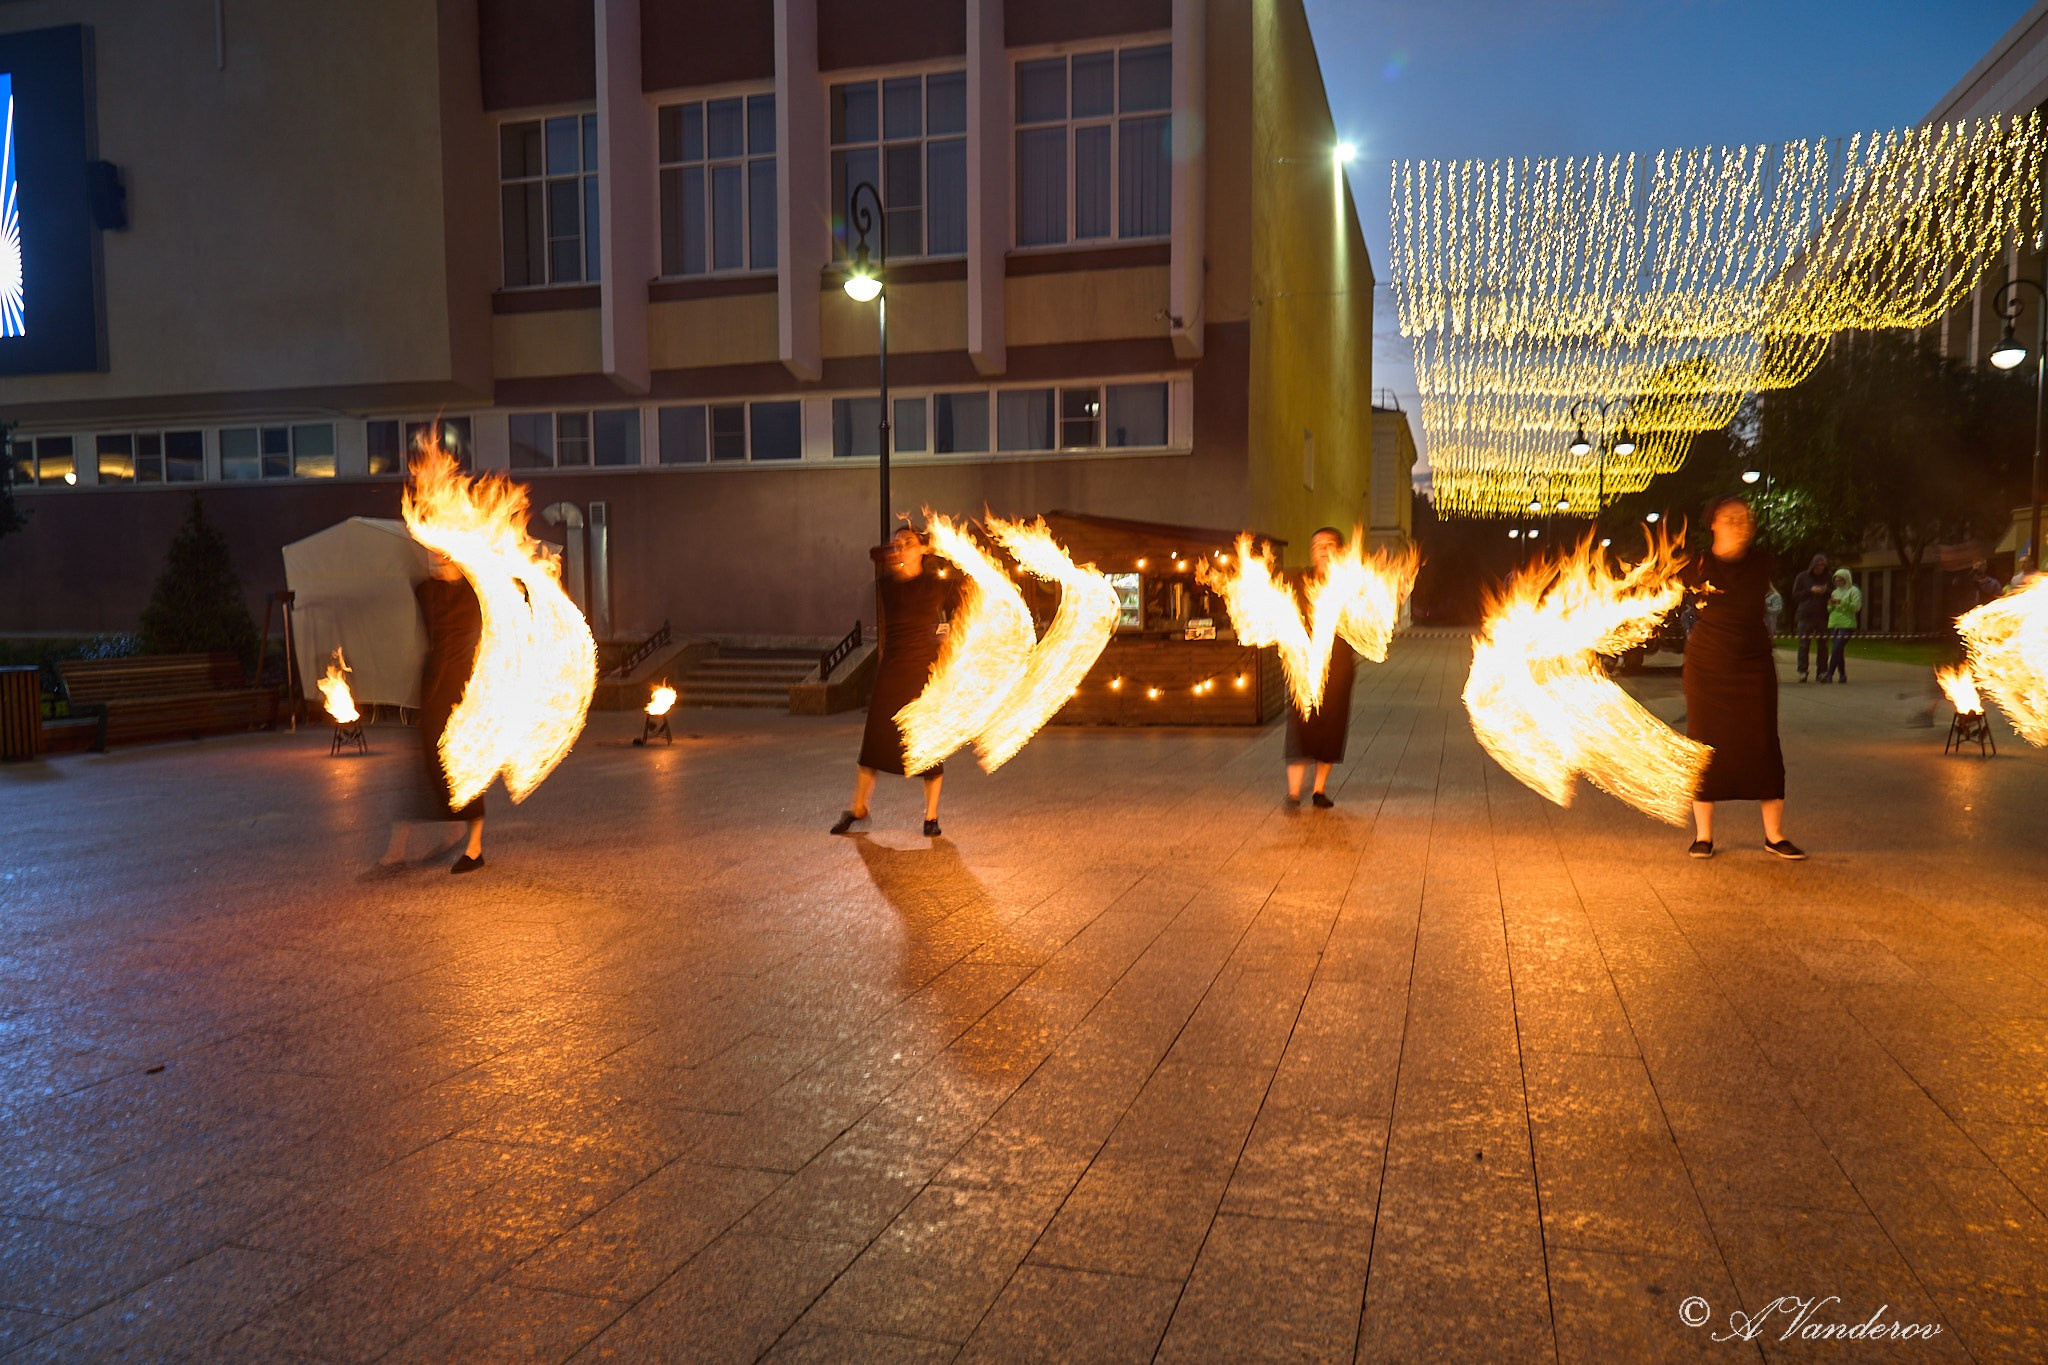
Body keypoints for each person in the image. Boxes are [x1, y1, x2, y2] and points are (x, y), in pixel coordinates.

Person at [1681, 495, 1802, 860]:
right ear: (1713, 523)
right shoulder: (1697, 563)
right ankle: (1703, 836)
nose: (1739, 524)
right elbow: (1660, 590)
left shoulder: (1762, 562)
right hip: (1707, 665)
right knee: (1705, 746)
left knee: (1763, 742)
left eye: (1745, 518)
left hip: (1752, 664)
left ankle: (1774, 836)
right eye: (1730, 518)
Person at [833, 527, 957, 838]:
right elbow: (883, 562)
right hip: (891, 672)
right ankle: (859, 807)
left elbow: (963, 607)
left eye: (908, 542)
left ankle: (931, 817)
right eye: (897, 544)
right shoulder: (887, 586)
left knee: (929, 746)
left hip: (924, 674)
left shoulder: (937, 585)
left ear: (923, 549)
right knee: (874, 743)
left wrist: (949, 632)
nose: (900, 547)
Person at [382, 551, 486, 872]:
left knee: (461, 763)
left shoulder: (475, 592)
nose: (434, 559)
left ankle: (474, 848)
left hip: (462, 685)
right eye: (430, 553)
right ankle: (400, 846)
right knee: (426, 761)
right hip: (433, 683)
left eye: (442, 554)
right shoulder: (426, 590)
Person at [1285, 527, 1355, 808]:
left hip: (1338, 668)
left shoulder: (1350, 584)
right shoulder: (1299, 580)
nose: (1322, 550)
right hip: (1302, 665)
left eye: (1328, 544)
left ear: (1339, 549)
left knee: (1331, 727)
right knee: (1301, 726)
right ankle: (1293, 793)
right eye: (1316, 545)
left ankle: (1318, 791)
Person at [1791, 552, 1829, 681]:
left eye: (1823, 566)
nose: (1820, 569)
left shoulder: (1827, 577)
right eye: (1818, 566)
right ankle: (1802, 671)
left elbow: (1833, 594)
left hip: (1822, 615)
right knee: (1803, 645)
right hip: (1806, 615)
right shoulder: (1802, 577)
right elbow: (1795, 595)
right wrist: (1810, 591)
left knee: (1823, 645)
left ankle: (1822, 671)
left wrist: (1826, 592)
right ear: (1813, 565)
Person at [1821, 569, 1861, 684]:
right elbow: (1830, 608)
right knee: (1838, 650)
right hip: (1834, 623)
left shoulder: (1854, 591)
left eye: (1840, 580)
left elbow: (1856, 607)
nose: (1838, 582)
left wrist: (1841, 603)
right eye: (1836, 580)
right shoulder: (1834, 592)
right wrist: (1830, 604)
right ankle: (1842, 675)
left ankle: (1829, 674)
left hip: (1847, 624)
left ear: (1846, 579)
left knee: (1836, 648)